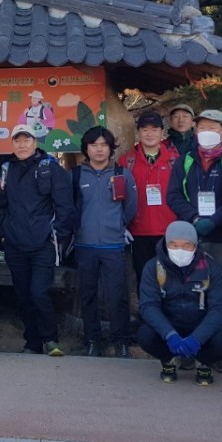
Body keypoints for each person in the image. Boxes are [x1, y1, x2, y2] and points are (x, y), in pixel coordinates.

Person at [167, 109, 222, 372]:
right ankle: (187, 349)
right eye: (203, 127)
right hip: (190, 236)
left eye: (213, 127)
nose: (207, 132)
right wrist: (194, 218)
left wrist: (215, 220)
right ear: (195, 131)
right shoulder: (184, 161)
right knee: (188, 292)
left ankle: (217, 352)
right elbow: (173, 195)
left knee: (218, 293)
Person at [0, 124, 75, 356]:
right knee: (23, 295)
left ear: (35, 142)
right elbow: (0, 206)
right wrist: (6, 229)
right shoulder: (7, 170)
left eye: (26, 140)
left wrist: (55, 235)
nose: (22, 145)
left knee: (39, 293)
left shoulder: (50, 168)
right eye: (17, 141)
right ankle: (32, 342)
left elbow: (65, 206)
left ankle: (50, 339)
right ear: (12, 144)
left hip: (43, 245)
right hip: (15, 244)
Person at [137, 221, 222, 386]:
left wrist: (197, 339)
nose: (179, 250)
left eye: (186, 245)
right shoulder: (153, 267)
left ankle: (203, 362)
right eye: (174, 245)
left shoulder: (211, 268)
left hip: (200, 326)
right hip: (170, 326)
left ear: (195, 246)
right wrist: (170, 335)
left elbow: (220, 309)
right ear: (166, 245)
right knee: (145, 335)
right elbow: (148, 306)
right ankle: (169, 360)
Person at [74, 125, 137, 358]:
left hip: (113, 244)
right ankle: (92, 340)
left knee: (117, 295)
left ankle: (121, 340)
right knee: (88, 295)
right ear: (86, 148)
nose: (99, 149)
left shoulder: (122, 174)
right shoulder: (76, 175)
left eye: (104, 145)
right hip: (85, 244)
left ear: (111, 148)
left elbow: (131, 206)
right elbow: (71, 207)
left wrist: (118, 225)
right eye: (94, 145)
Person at [119, 111, 180, 285]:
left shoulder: (175, 160)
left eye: (154, 129)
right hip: (139, 231)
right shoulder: (127, 162)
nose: (149, 134)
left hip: (169, 230)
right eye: (145, 129)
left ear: (162, 132)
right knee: (145, 278)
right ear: (138, 132)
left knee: (170, 279)